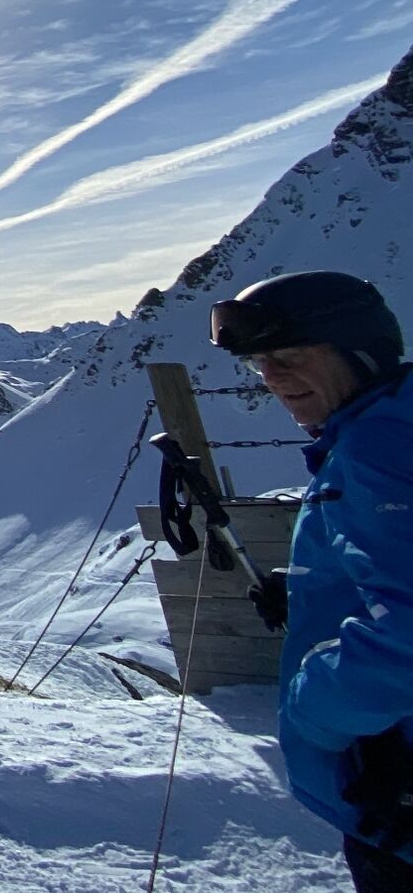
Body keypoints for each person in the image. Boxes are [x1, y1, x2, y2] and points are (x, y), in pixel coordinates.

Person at [211, 271, 413, 891]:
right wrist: (310, 597)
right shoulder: (385, 425)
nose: (271, 377)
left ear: (358, 350)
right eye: (260, 364)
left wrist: (312, 709)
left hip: (396, 785)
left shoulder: (379, 450)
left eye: (290, 356)